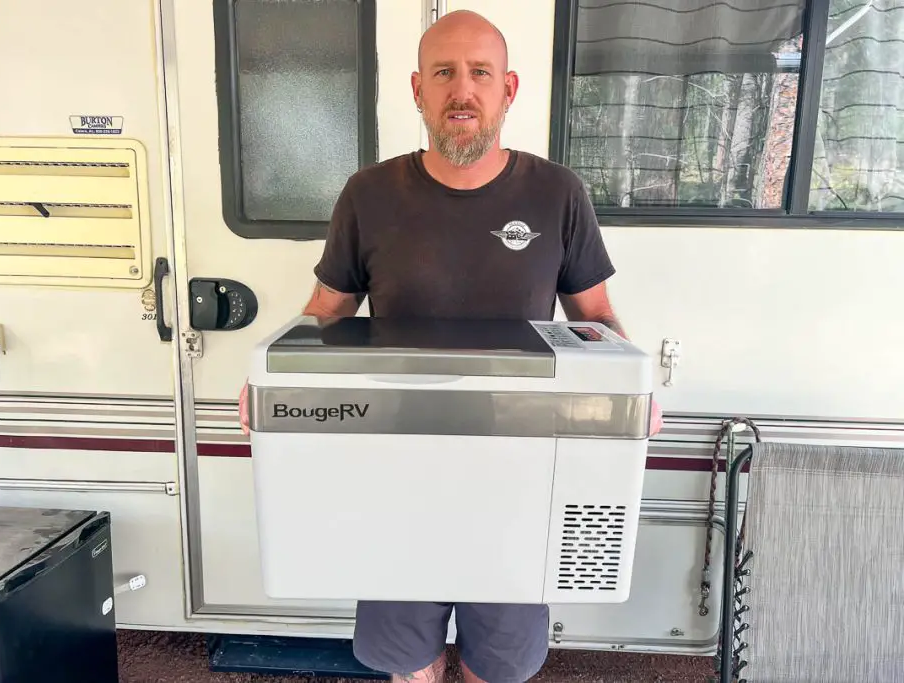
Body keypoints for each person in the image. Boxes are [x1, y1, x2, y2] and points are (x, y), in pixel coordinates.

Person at [239, 9, 663, 682]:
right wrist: (272, 381)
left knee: (497, 665)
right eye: (443, 73)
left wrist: (636, 388)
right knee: (408, 662)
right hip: (395, 466)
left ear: (507, 89)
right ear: (417, 90)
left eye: (478, 73)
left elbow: (597, 313)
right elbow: (329, 308)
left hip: (521, 471)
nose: (460, 90)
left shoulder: (558, 193)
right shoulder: (368, 193)